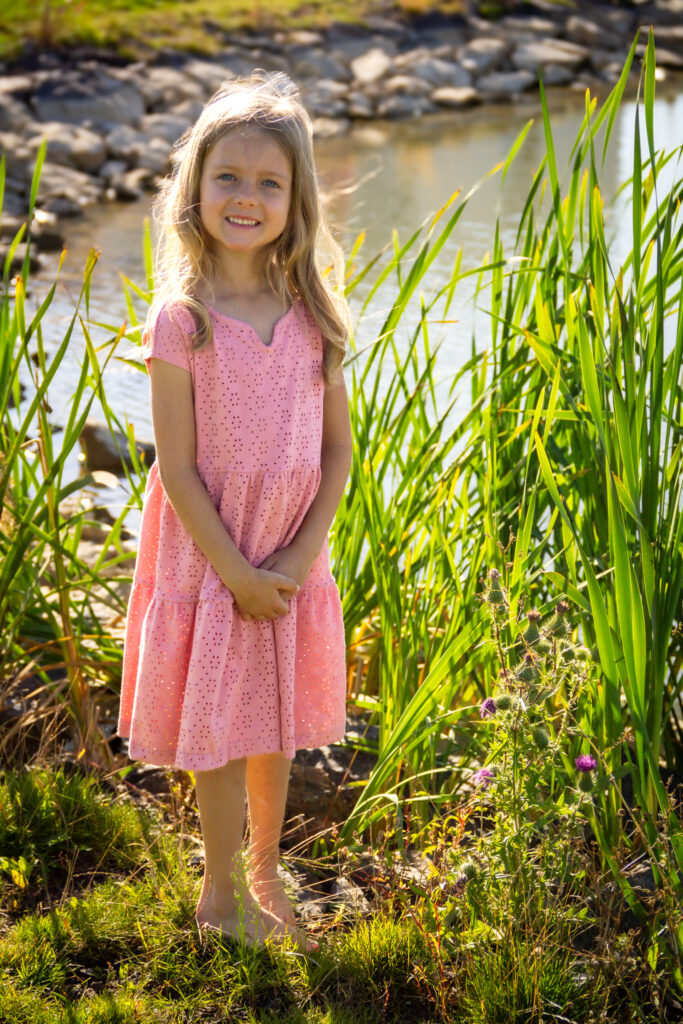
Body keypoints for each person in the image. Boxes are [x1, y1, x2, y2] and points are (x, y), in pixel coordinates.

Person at [116, 70, 353, 954]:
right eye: (228, 177)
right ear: (195, 186)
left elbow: (338, 454)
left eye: (268, 182)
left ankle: (264, 872)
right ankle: (218, 891)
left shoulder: (313, 313)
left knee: (274, 722)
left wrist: (292, 563)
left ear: (295, 200)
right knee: (216, 724)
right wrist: (237, 575)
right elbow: (175, 468)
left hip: (288, 554)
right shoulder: (183, 321)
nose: (246, 197)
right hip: (210, 554)